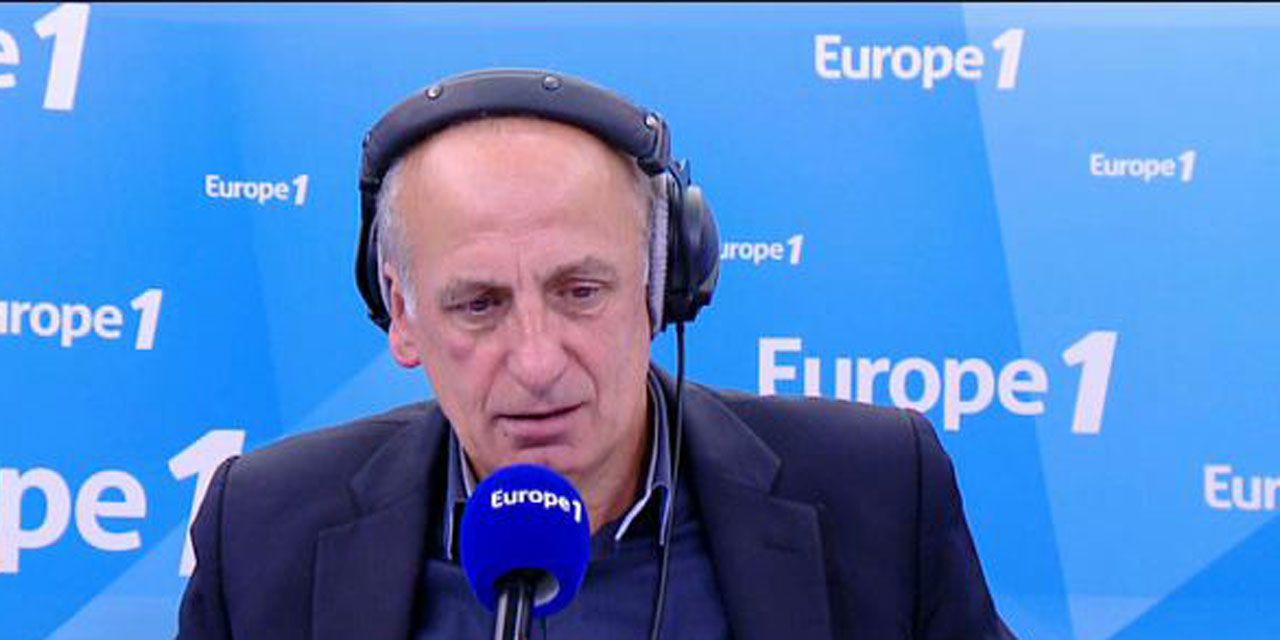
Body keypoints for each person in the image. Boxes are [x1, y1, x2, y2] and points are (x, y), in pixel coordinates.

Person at [176, 69, 1015, 640]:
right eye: (479, 305)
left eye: (580, 291)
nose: (538, 362)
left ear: (663, 285)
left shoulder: (876, 492)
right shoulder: (264, 532)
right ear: (401, 312)